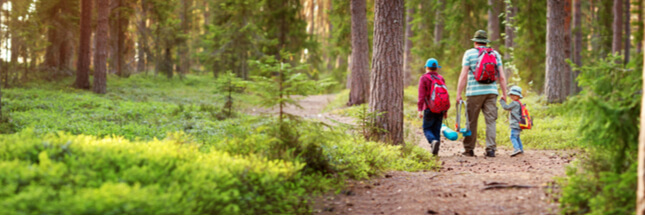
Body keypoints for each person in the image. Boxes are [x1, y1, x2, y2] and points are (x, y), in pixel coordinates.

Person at [455, 30, 509, 157]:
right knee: (491, 121)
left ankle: (469, 149)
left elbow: (463, 76)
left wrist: (458, 94)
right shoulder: (495, 54)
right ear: (486, 42)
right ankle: (490, 149)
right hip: (491, 92)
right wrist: (504, 93)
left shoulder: (469, 53)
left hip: (474, 92)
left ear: (475, 42)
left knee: (471, 121)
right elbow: (501, 77)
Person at [418, 58, 449, 156]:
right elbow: (445, 96)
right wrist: (445, 111)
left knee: (427, 128)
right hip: (440, 109)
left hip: (429, 108)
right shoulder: (441, 78)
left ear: (427, 67)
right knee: (436, 128)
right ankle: (436, 151)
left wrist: (419, 109)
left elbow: (421, 96)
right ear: (437, 69)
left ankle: (432, 142)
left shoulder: (424, 78)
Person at [499, 86, 524, 157]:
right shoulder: (519, 103)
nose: (512, 96)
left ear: (518, 96)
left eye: (514, 95)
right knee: (517, 137)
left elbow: (506, 107)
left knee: (512, 136)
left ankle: (516, 149)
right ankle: (521, 149)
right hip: (519, 123)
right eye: (511, 95)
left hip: (515, 124)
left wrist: (502, 101)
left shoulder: (514, 103)